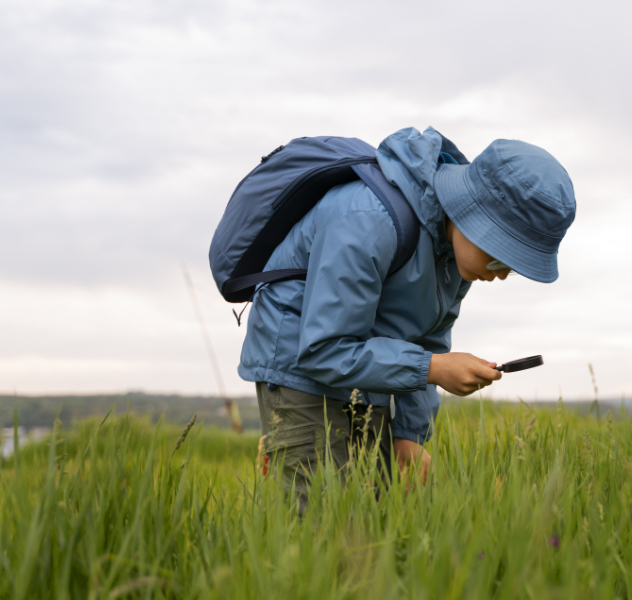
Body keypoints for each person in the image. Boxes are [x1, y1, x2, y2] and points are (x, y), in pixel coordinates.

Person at [238, 126, 576, 511]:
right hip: (301, 370)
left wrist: (410, 435)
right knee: (320, 521)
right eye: (501, 255)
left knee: (379, 511)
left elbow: (427, 340)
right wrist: (433, 368)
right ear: (474, 215)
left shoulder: (454, 254)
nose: (501, 273)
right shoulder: (368, 218)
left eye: (515, 266)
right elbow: (322, 349)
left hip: (368, 371)